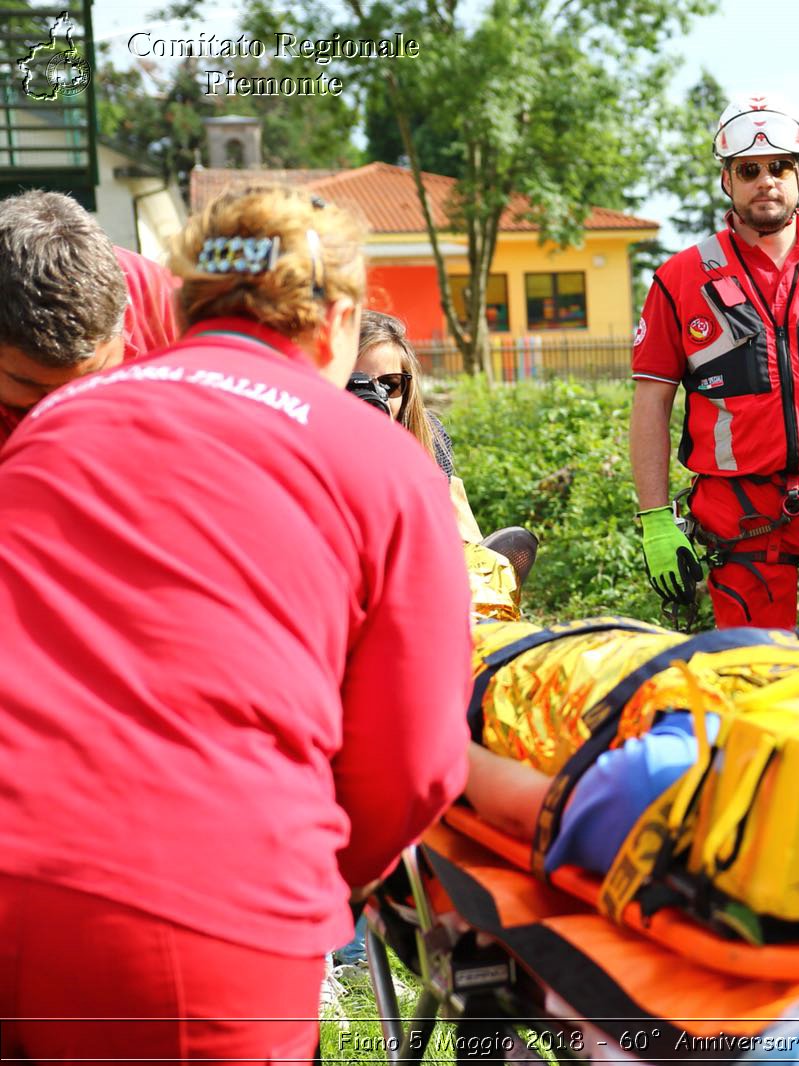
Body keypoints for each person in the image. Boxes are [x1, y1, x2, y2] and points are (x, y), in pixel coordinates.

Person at [0, 185, 472, 1062]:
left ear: (174, 302)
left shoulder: (49, 424)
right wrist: (308, 882)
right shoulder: (377, 456)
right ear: (336, 323)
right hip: (193, 912)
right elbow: (415, 767)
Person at [463, 623, 799, 899]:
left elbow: (520, 808)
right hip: (639, 652)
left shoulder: (675, 780)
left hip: (492, 668)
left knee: (465, 604)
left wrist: (425, 736)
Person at [630, 93, 799, 631]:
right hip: (737, 511)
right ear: (727, 180)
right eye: (748, 170)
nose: (765, 180)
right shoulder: (680, 279)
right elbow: (651, 403)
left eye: (779, 167)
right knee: (758, 670)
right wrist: (656, 520)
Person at [0, 190, 178, 449]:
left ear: (125, 317)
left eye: (90, 377)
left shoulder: (169, 303)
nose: (63, 410)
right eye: (33, 387)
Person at [355, 308, 484, 540]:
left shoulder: (428, 436)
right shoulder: (309, 443)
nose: (376, 397)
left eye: (389, 384)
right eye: (360, 385)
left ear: (406, 388)